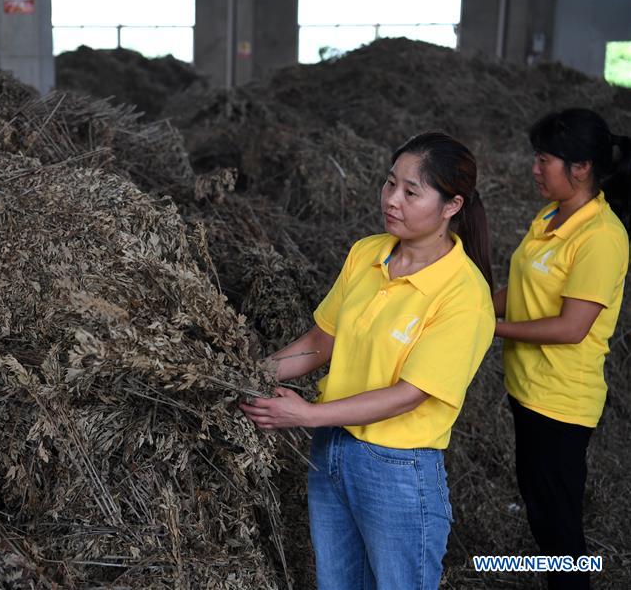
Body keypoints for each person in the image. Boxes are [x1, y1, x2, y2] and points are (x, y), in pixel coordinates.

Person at [240, 132, 496, 589]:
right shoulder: (367, 253)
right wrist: (247, 375)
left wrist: (306, 414)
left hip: (398, 470)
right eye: (389, 183)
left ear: (452, 206)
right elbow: (323, 340)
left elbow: (408, 395)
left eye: (411, 192)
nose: (392, 200)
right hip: (333, 453)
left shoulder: (464, 293)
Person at [492, 108, 630, 590]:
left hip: (561, 401)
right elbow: (524, 286)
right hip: (528, 389)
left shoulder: (602, 238)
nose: (534, 168)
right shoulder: (550, 215)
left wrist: (491, 328)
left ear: (581, 168)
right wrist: (467, 305)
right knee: (541, 508)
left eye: (543, 159)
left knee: (560, 528)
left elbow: (573, 327)